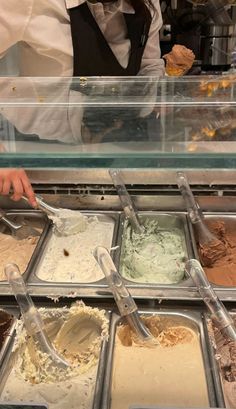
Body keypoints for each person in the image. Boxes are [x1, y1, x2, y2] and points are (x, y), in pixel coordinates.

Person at [0, 0, 164, 201]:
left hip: (116, 149)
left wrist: (161, 99)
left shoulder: (147, 3)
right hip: (38, 154)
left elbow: (149, 64)